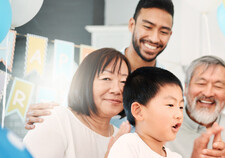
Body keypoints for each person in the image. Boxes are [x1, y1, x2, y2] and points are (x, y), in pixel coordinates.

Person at [24, 0, 174, 130]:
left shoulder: (169, 84)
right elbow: (72, 106)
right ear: (131, 24)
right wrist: (43, 115)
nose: (154, 38)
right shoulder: (98, 65)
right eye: (147, 27)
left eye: (163, 31)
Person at [23, 48, 131, 158]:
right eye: (106, 78)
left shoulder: (122, 136)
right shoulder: (56, 119)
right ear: (85, 82)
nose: (117, 89)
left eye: (124, 82)